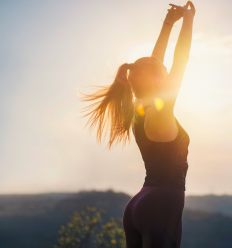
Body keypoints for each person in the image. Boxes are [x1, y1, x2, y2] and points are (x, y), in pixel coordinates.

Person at [81, 2, 195, 247]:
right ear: (157, 78)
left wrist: (167, 25)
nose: (167, 73)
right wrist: (188, 19)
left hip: (139, 203)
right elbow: (181, 60)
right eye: (163, 72)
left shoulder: (140, 108)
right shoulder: (161, 112)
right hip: (162, 203)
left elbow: (154, 63)